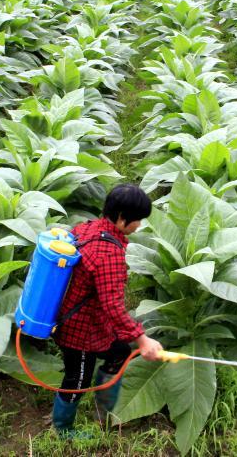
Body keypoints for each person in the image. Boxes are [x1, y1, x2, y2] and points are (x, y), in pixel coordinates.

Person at [51, 183, 164, 438]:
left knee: (120, 353)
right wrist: (142, 339)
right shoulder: (109, 253)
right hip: (79, 331)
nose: (139, 226)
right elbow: (112, 305)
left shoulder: (88, 227)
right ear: (122, 218)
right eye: (138, 220)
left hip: (90, 320)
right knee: (77, 379)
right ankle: (62, 429)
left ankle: (105, 412)